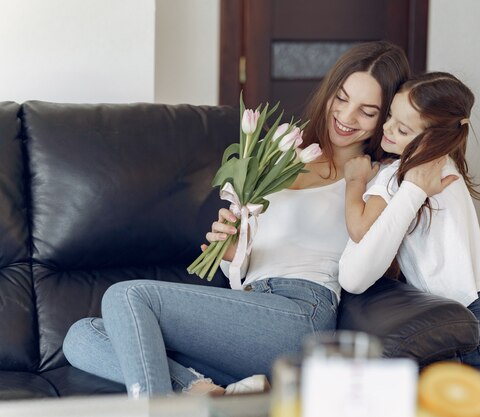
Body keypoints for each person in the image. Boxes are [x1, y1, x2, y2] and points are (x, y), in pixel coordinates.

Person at [63, 41, 451, 398]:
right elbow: (244, 268)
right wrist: (233, 250)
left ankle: (158, 409)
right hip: (249, 307)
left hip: (301, 313)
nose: (346, 117)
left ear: (386, 118)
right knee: (82, 336)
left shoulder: (379, 179)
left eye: (367, 111)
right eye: (342, 98)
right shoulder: (285, 148)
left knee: (127, 295)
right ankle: (203, 392)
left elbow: (375, 251)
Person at [339, 72, 480, 373]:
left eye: (402, 129)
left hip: (459, 314)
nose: (386, 128)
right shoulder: (446, 163)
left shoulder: (400, 177)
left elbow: (360, 228)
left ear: (434, 138)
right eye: (389, 115)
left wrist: (355, 180)